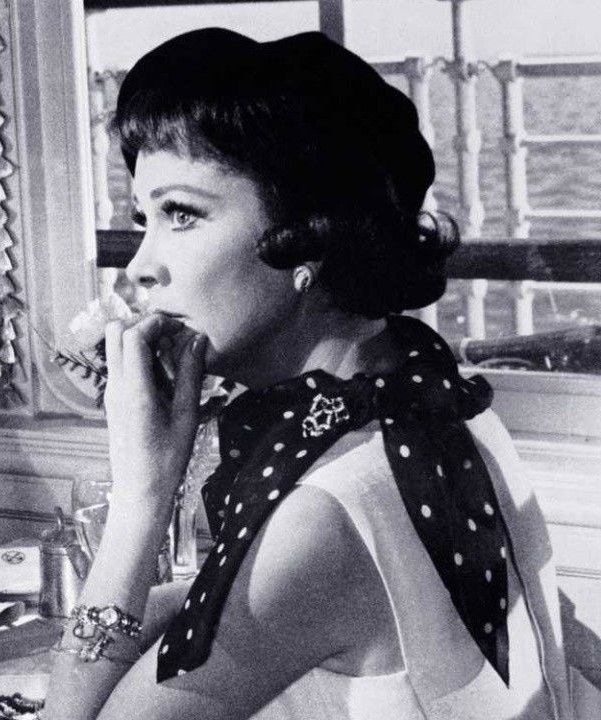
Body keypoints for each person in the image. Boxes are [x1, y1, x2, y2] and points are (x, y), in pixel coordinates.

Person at [46, 29, 571, 720]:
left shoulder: (321, 516)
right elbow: (245, 600)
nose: (140, 266)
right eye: (144, 219)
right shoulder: (437, 403)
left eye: (181, 214)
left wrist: (142, 496)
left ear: (309, 237)